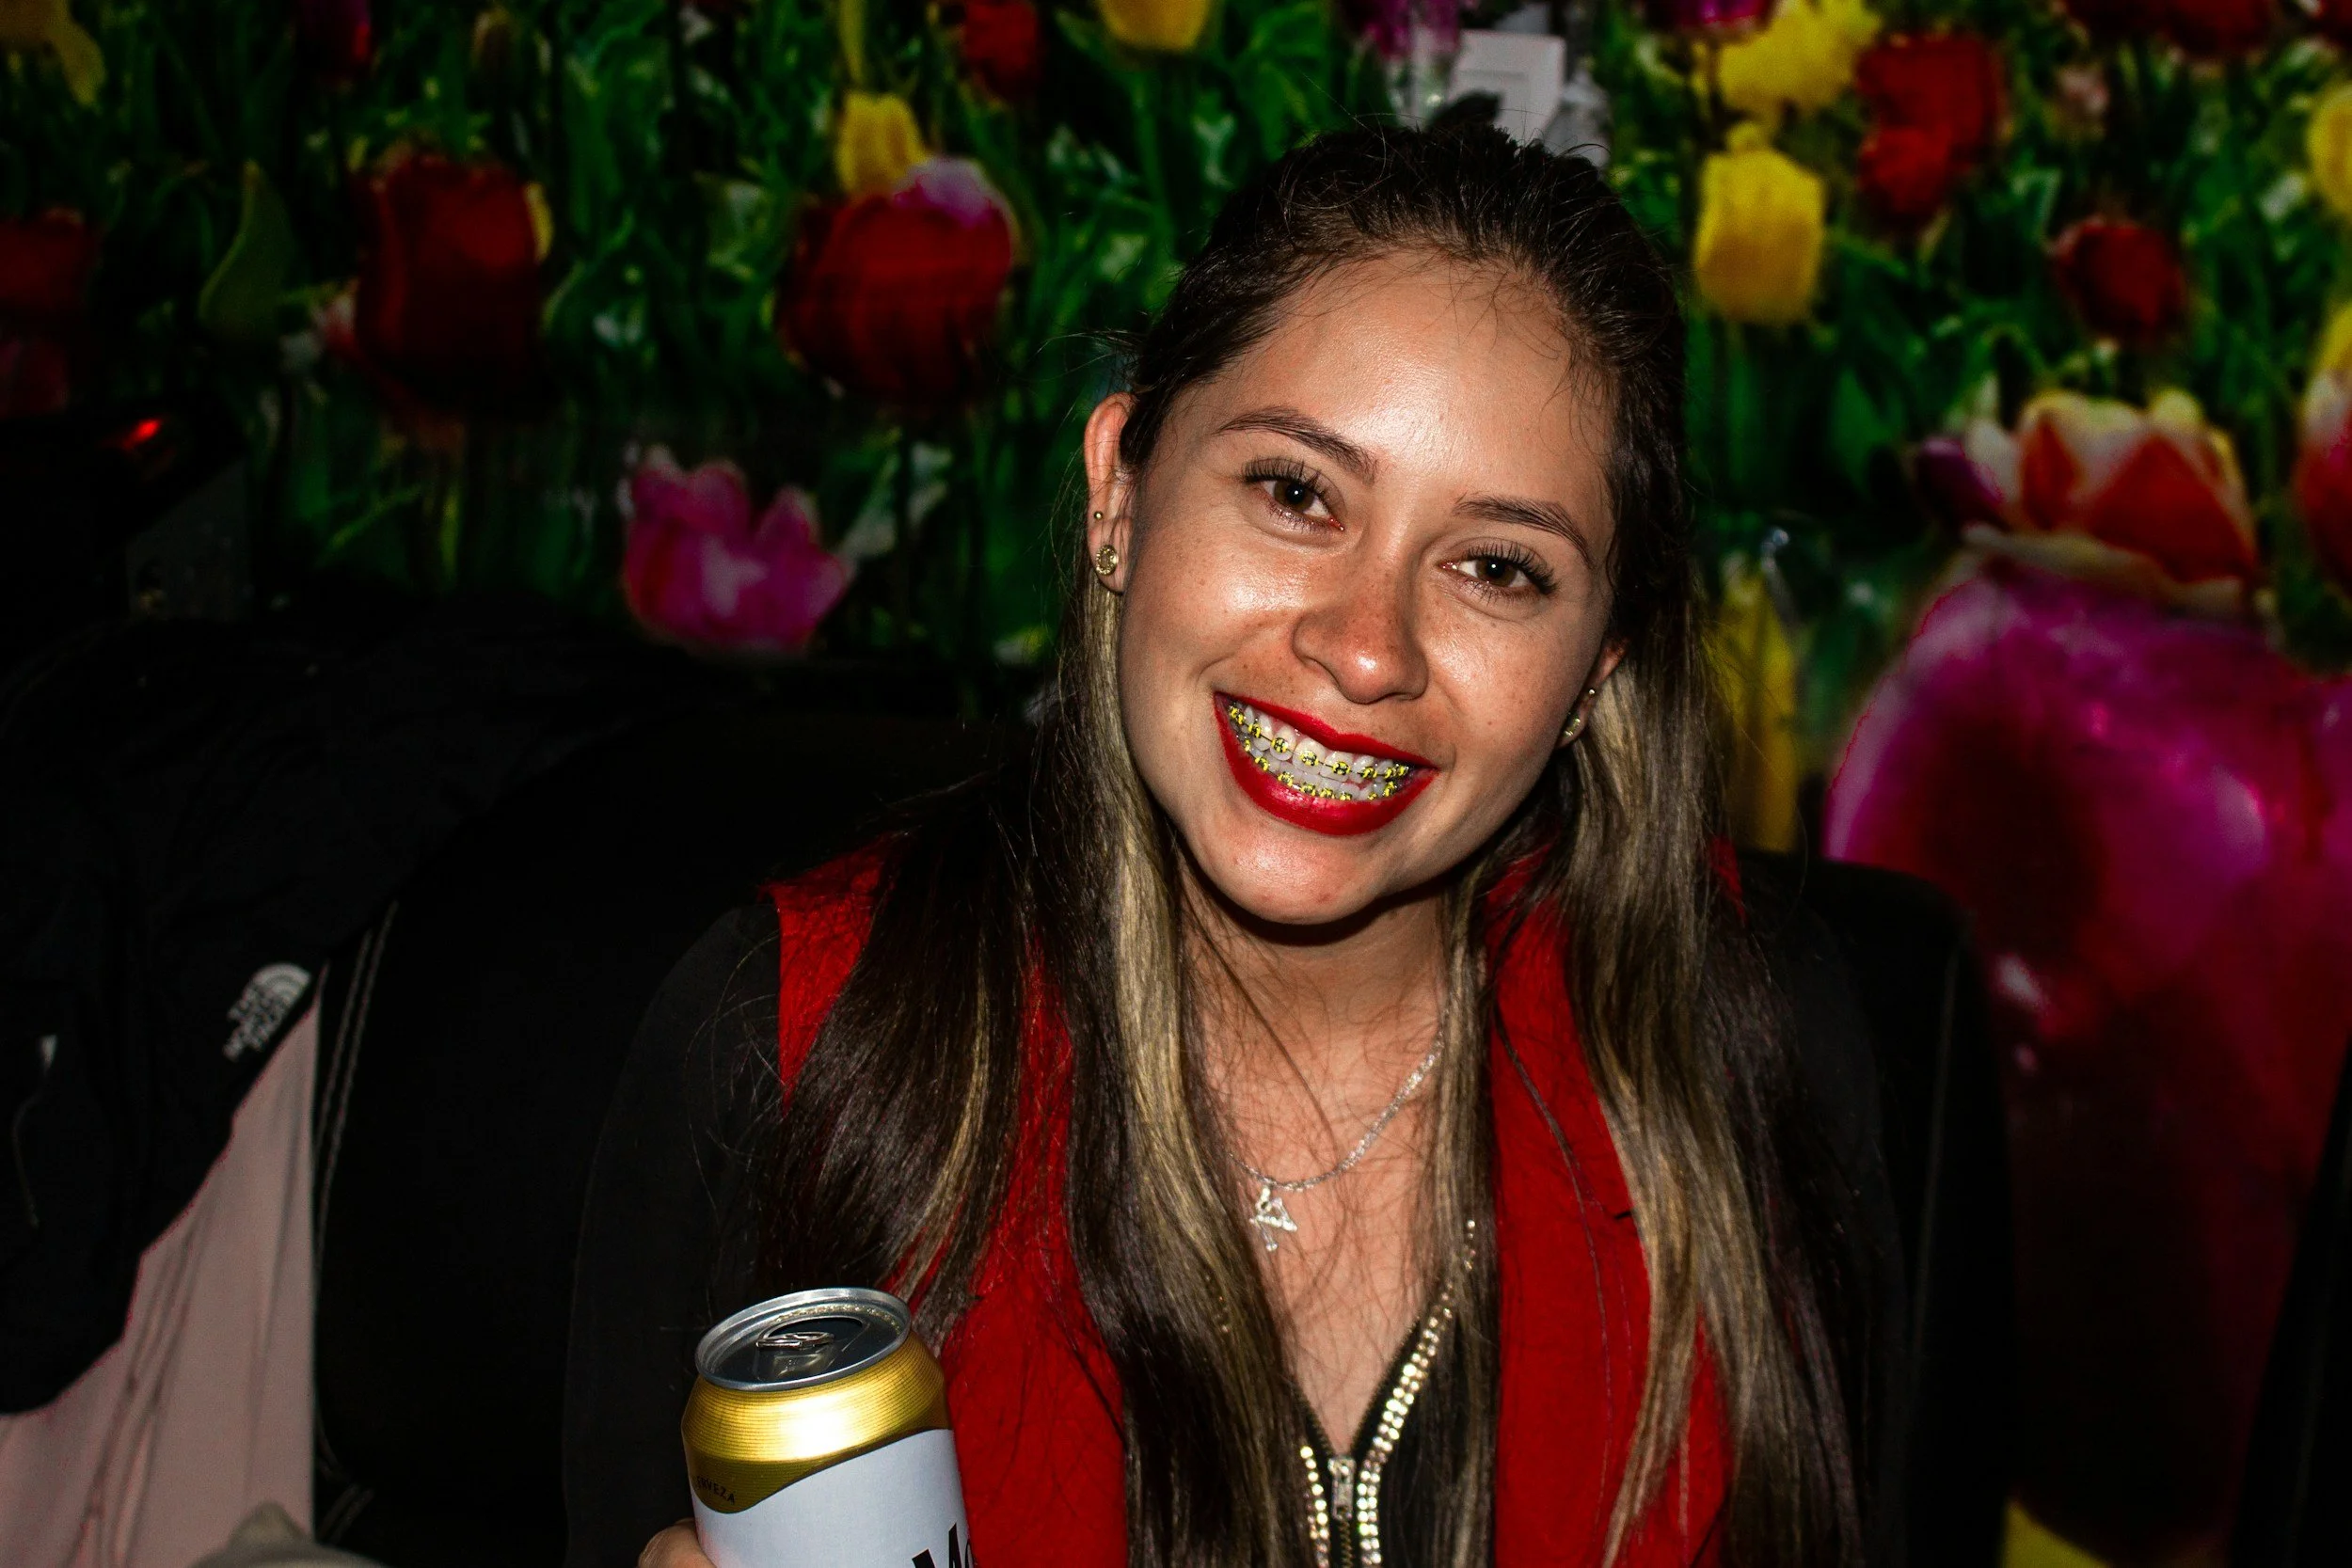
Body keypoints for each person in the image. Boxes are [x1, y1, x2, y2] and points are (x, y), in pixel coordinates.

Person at [576, 124, 1903, 1568]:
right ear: (1120, 492)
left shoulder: (1745, 1057)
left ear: (1598, 670)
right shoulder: (792, 1042)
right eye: (1294, 492)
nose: (1364, 648)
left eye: (1499, 567)